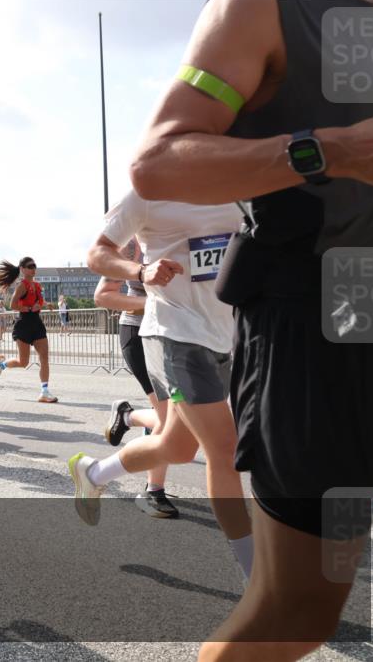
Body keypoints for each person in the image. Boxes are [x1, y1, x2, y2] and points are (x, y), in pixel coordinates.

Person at [129, 0, 373, 658]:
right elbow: (157, 162)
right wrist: (337, 151)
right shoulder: (260, 6)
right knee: (297, 612)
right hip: (323, 324)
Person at [72, 189, 251, 575]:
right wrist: (142, 273)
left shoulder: (239, 187)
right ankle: (256, 574)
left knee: (178, 447)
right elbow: (97, 254)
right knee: (224, 448)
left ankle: (93, 473)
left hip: (224, 336)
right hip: (173, 333)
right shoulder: (149, 190)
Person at [92, 236, 177, 519]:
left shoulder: (193, 229)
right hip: (140, 333)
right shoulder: (133, 243)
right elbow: (103, 295)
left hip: (181, 337)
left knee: (182, 419)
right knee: (168, 419)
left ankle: (127, 416)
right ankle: (153, 491)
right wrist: (155, 303)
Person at [0, 257, 59, 403]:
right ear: (22, 269)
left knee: (44, 358)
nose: (33, 269)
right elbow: (13, 305)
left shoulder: (37, 285)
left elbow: (37, 301)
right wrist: (29, 308)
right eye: (30, 266)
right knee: (23, 362)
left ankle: (44, 392)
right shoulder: (22, 285)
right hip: (24, 325)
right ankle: (2, 364)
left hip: (37, 324)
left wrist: (46, 304)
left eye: (34, 266)